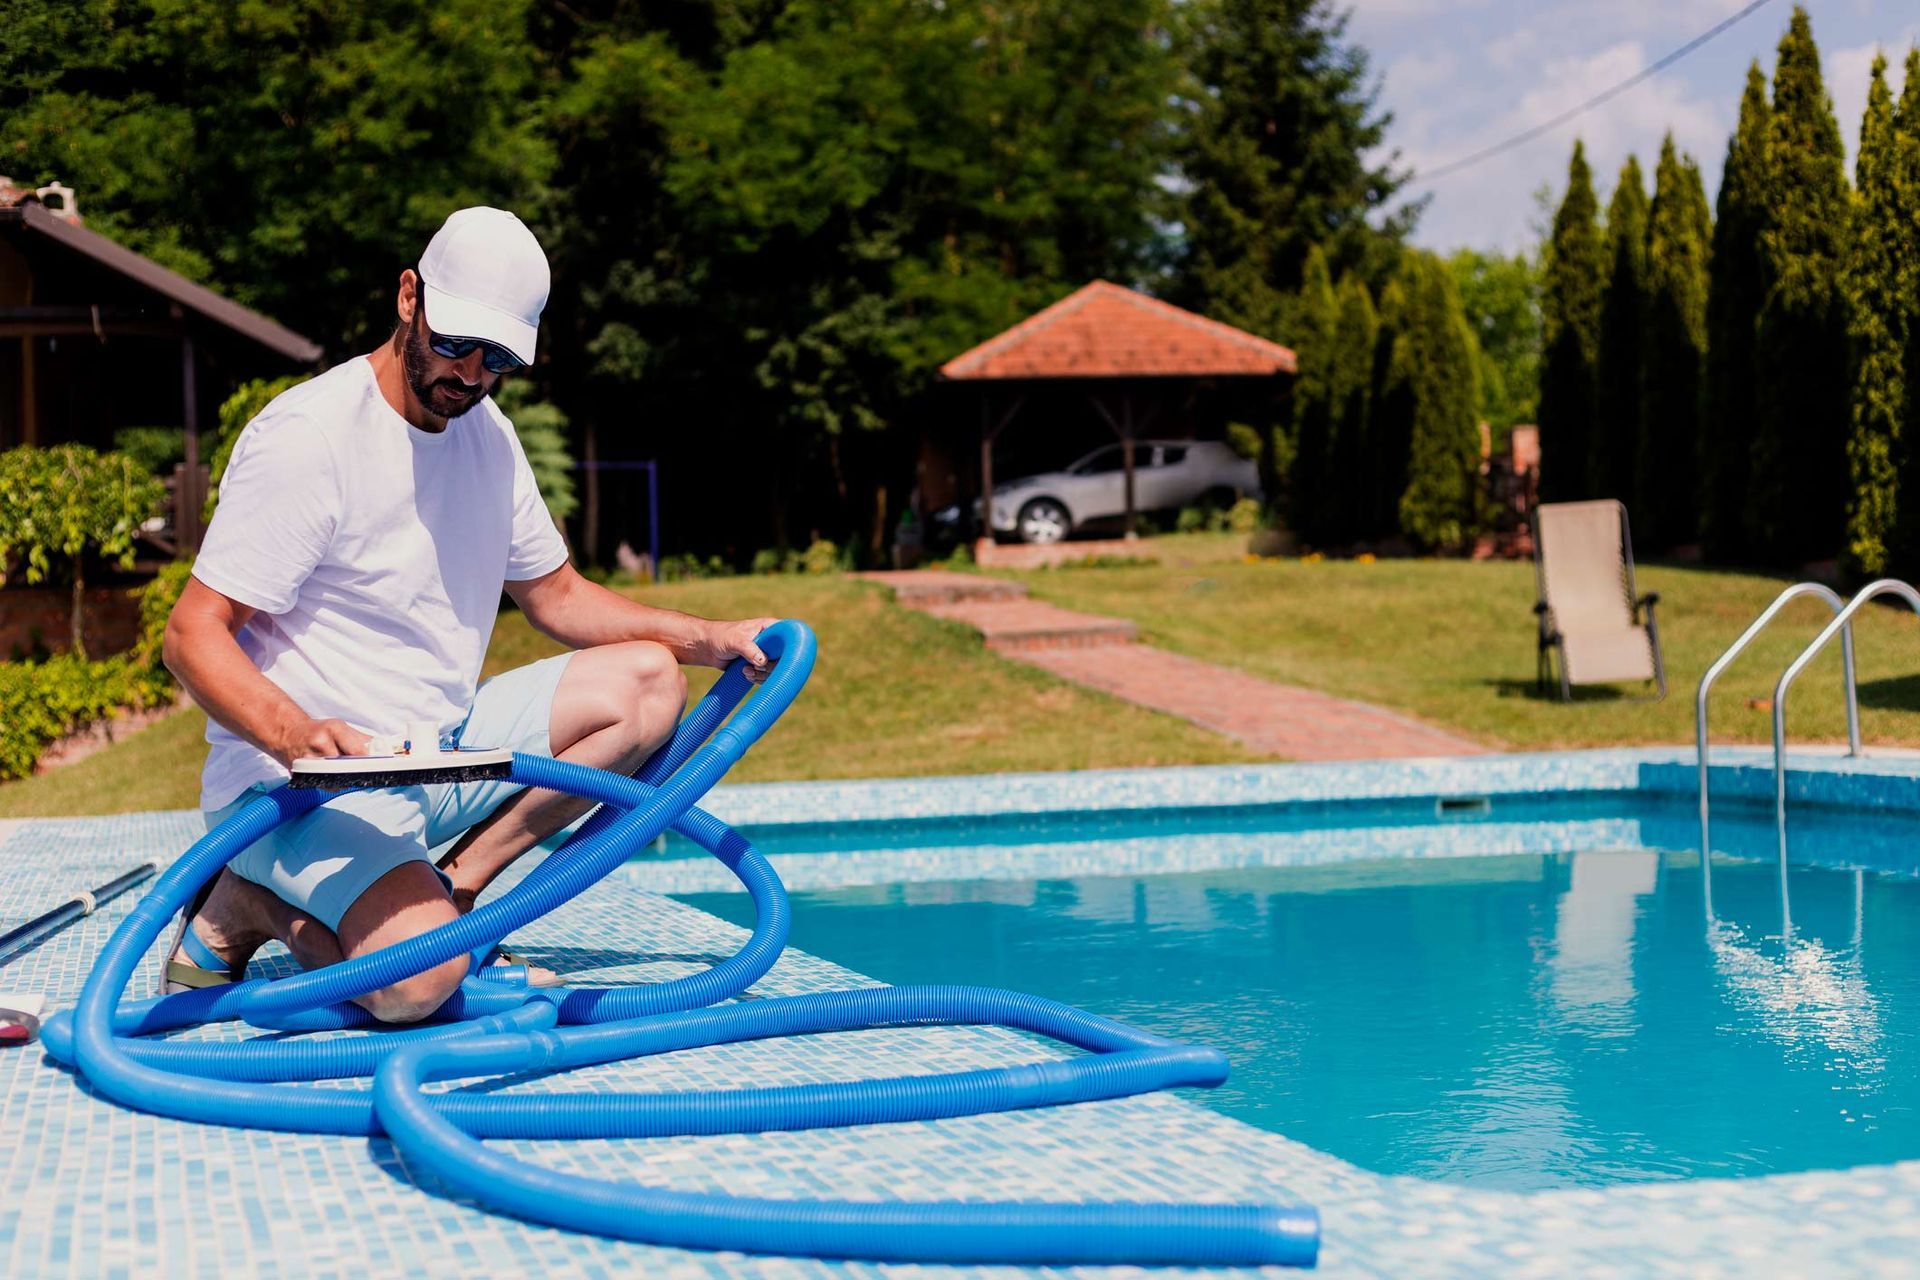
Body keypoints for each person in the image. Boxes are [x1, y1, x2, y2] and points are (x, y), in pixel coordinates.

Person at [161, 207, 775, 1022]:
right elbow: (190, 635)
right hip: (298, 785)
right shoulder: (310, 436)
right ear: (409, 297)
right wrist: (293, 734)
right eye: (456, 345)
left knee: (649, 683)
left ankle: (456, 891)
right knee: (417, 984)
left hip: (434, 757)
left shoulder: (486, 435)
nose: (472, 374)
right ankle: (242, 903)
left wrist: (707, 638)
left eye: (499, 358)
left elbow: (557, 596)